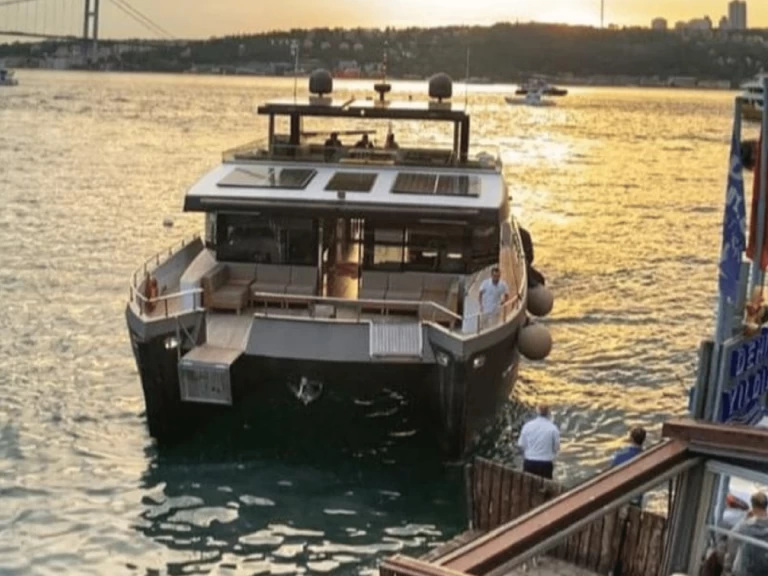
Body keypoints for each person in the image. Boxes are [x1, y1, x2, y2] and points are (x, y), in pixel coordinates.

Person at [726, 491, 768, 576]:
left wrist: (745, 518)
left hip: (743, 571)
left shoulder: (745, 526)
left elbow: (731, 538)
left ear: (753, 506)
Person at [517, 404, 560, 480]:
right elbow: (556, 448)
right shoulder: (553, 428)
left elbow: (521, 444)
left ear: (537, 412)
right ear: (549, 413)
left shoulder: (527, 426)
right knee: (545, 486)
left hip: (529, 462)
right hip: (545, 463)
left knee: (528, 485)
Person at [611, 427, 647, 507]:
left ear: (631, 438)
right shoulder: (647, 456)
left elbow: (611, 471)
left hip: (620, 494)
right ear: (644, 440)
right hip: (636, 496)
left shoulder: (619, 455)